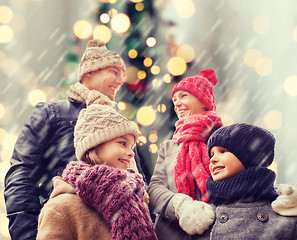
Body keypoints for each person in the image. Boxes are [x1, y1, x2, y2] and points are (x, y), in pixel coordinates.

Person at [4, 38, 144, 240]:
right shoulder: (51, 113)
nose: (121, 81)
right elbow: (21, 177)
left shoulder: (120, 125)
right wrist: (30, 235)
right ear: (89, 71)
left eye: (122, 76)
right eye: (114, 72)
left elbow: (138, 181)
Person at [36, 95, 157, 240]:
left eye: (132, 146)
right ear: (94, 146)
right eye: (122, 143)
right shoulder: (61, 208)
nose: (131, 153)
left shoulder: (136, 198)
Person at [147, 69, 223, 239]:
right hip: (172, 233)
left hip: (216, 231)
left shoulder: (223, 139)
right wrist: (181, 207)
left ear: (204, 100)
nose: (177, 103)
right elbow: (154, 189)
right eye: (174, 99)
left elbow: (238, 181)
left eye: (184, 96)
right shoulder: (168, 146)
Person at [194, 123, 297, 239]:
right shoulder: (203, 217)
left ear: (250, 157)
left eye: (223, 151)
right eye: (211, 155)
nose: (213, 159)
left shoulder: (285, 212)